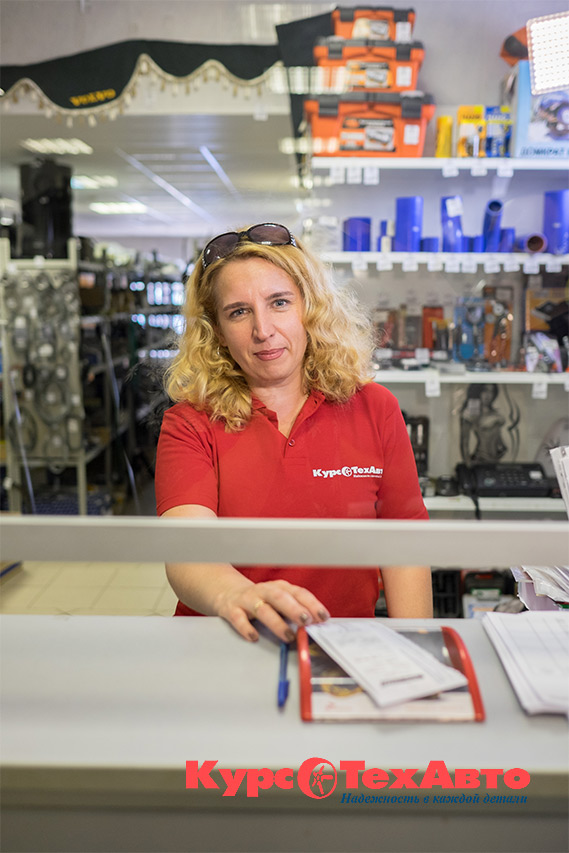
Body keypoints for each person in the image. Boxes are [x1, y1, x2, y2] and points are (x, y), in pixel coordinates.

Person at [155, 223, 432, 643]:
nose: (263, 330)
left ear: (310, 308)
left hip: (342, 647)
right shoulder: (190, 423)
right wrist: (242, 597)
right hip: (224, 644)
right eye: (238, 312)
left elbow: (404, 544)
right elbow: (187, 552)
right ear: (218, 332)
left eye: (279, 302)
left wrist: (418, 647)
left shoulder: (375, 408)